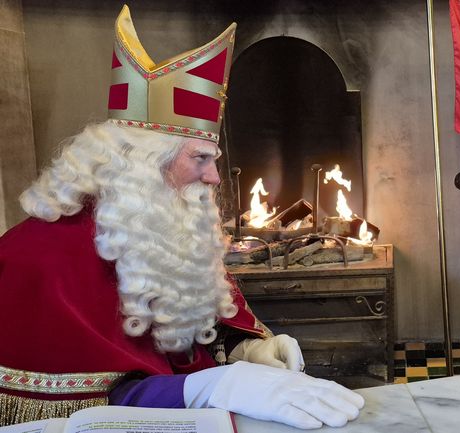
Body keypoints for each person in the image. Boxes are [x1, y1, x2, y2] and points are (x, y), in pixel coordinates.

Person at [0, 5, 363, 429]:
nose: (213, 177)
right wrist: (205, 387)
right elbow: (73, 411)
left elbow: (202, 332)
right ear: (141, 166)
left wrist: (248, 351)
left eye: (215, 159)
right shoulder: (33, 258)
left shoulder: (163, 227)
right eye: (201, 159)